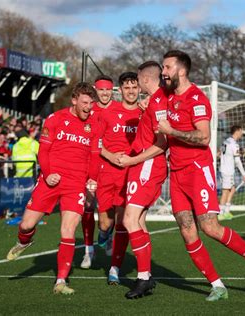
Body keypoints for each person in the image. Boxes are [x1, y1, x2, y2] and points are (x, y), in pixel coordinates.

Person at [157, 50, 245, 301]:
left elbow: (203, 137)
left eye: (167, 67)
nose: (163, 72)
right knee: (187, 231)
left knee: (210, 227)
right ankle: (217, 285)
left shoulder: (197, 99)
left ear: (181, 70)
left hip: (197, 170)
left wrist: (172, 131)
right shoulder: (167, 97)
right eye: (162, 67)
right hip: (176, 174)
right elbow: (150, 88)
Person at [5, 82, 96, 295]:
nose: (89, 107)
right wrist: (48, 173)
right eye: (85, 103)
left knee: (67, 230)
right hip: (50, 180)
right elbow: (43, 151)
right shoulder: (55, 119)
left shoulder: (94, 123)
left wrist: (92, 178)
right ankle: (24, 241)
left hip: (76, 185)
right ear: (74, 100)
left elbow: (93, 155)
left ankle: (60, 281)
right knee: (26, 225)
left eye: (91, 103)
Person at [116, 61, 168, 298]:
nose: (136, 85)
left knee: (129, 220)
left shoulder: (158, 102)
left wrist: (132, 161)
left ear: (145, 79)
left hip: (147, 165)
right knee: (138, 222)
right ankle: (146, 275)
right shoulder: (155, 102)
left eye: (137, 80)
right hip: (141, 165)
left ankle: (143, 277)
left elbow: (162, 144)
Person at [94, 72, 141, 285]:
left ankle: (114, 268)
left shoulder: (144, 113)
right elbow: (96, 143)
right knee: (105, 223)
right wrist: (111, 156)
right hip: (107, 172)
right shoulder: (107, 112)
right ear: (120, 90)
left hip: (130, 174)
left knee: (123, 221)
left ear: (139, 89)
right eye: (127, 87)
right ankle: (104, 236)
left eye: (134, 87)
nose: (131, 91)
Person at [80, 74, 119, 269]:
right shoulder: (88, 110)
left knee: (106, 221)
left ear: (112, 90)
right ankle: (89, 251)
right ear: (95, 90)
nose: (104, 93)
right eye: (101, 89)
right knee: (87, 208)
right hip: (89, 166)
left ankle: (105, 235)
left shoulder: (120, 109)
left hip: (112, 170)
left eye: (108, 89)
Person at [218, 125, 245, 220]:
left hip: (223, 169)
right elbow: (237, 161)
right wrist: (244, 174)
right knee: (225, 192)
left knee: (232, 189)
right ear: (237, 131)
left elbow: (221, 153)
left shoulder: (226, 141)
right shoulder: (234, 144)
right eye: (241, 131)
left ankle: (226, 210)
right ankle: (221, 213)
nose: (242, 133)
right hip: (227, 170)